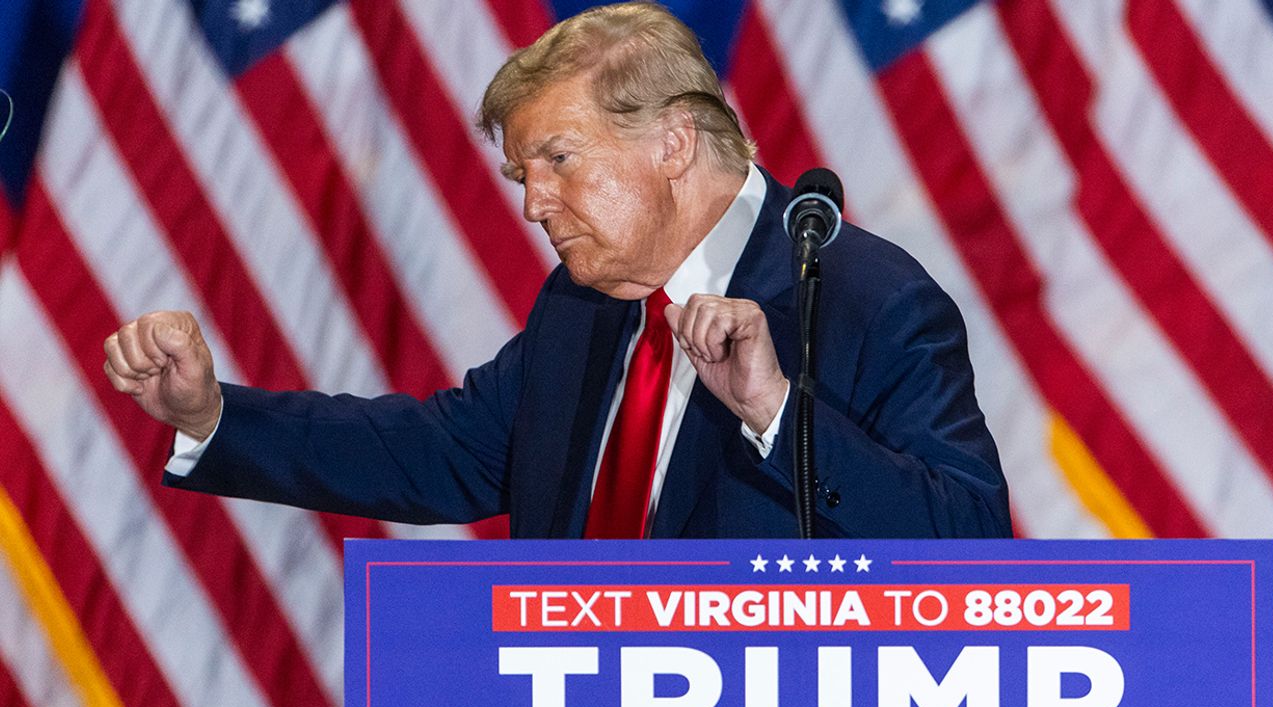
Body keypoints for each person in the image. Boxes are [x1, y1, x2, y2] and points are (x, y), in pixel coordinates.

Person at [103, 2, 1011, 539]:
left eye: (559, 161)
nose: (535, 203)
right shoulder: (583, 307)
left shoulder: (860, 298)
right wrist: (212, 415)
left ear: (673, 142)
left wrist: (778, 412)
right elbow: (440, 453)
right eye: (522, 176)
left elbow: (967, 545)